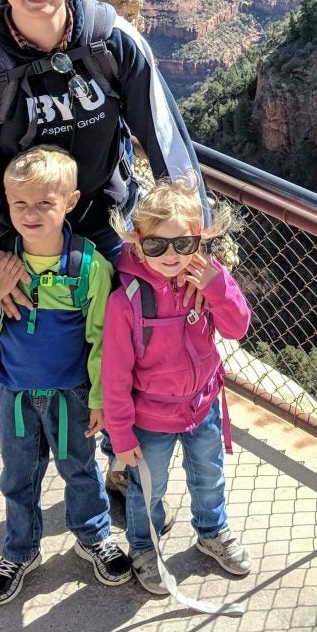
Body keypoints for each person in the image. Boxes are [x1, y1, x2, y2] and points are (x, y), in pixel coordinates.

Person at [0, 0, 204, 534]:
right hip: (15, 226)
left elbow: (165, 140)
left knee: (117, 338)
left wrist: (193, 238)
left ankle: (116, 461)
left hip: (97, 214)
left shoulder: (110, 40)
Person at [0, 146, 132, 603]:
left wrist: (98, 398)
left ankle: (92, 535)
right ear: (7, 202)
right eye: (20, 204)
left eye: (45, 204)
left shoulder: (89, 267)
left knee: (79, 467)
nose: (31, 214)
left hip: (70, 393)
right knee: (18, 474)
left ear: (70, 202)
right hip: (13, 394)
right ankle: (21, 549)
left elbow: (101, 340)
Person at [103, 172, 253, 595]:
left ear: (199, 241)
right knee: (150, 488)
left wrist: (217, 287)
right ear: (137, 241)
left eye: (183, 244)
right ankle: (143, 547)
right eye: (156, 245)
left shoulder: (208, 278)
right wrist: (120, 434)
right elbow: (114, 374)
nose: (171, 255)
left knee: (209, 475)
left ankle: (212, 532)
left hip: (201, 404)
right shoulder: (126, 299)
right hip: (150, 417)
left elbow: (237, 327)